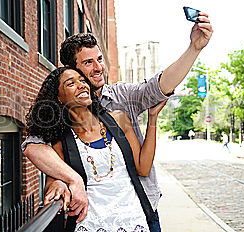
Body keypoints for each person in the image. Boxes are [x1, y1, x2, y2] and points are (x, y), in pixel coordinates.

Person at [23, 12, 213, 231]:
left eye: (100, 59)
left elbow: (158, 87)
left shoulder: (121, 98)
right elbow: (34, 146)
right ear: (72, 70)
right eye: (88, 62)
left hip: (140, 213)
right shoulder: (59, 125)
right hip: (92, 221)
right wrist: (61, 179)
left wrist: (194, 48)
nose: (98, 67)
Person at [26, 66, 166, 231]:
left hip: (132, 219)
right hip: (91, 223)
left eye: (83, 81)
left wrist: (153, 119)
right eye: (71, 83)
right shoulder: (60, 141)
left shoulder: (119, 119)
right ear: (59, 98)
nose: (82, 85)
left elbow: (143, 168)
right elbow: (53, 181)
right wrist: (58, 184)